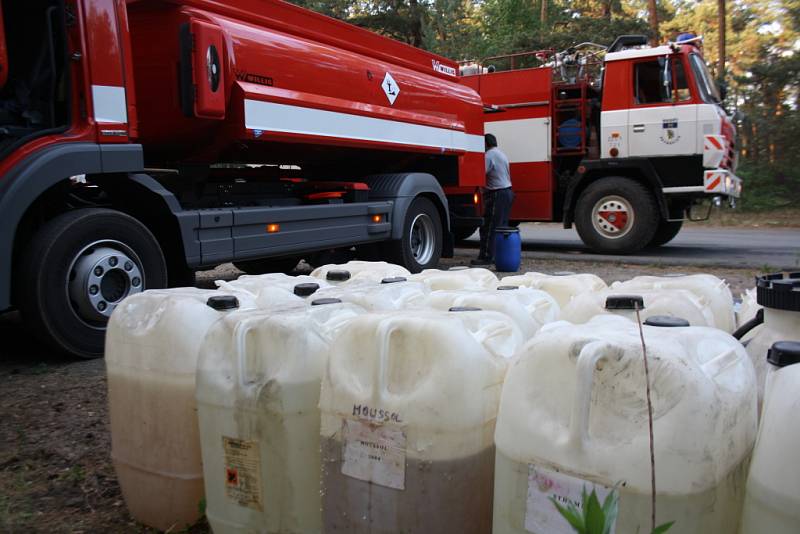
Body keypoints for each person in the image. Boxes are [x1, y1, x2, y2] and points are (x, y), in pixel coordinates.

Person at [472, 133, 514, 266]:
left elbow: (480, 174)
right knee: (501, 227)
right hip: (507, 192)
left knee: (488, 227)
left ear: (485, 144)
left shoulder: (489, 156)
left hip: (497, 193)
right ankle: (500, 256)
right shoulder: (502, 154)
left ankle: (486, 257)